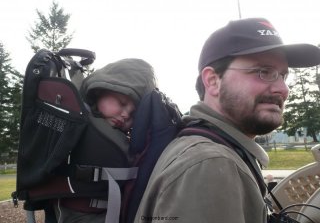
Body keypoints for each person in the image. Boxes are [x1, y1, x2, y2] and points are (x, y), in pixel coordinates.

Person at [134, 18, 320, 223]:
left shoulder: (213, 150)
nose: (283, 89)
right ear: (213, 81)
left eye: (283, 76)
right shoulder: (211, 164)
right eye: (263, 72)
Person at [54, 58, 157, 223]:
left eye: (132, 115)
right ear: (100, 91)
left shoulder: (116, 135)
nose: (125, 115)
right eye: (122, 103)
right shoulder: (78, 120)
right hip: (80, 215)